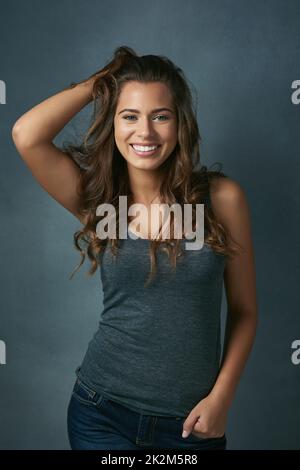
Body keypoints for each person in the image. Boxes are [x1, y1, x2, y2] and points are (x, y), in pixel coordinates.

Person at [12, 45, 258, 450]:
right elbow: (26, 134)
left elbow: (245, 311)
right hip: (100, 413)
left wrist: (222, 397)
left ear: (181, 125)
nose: (144, 132)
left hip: (189, 425)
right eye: (129, 116)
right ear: (113, 123)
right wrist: (104, 81)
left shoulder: (222, 198)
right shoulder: (100, 201)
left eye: (160, 116)